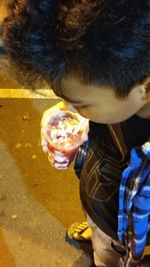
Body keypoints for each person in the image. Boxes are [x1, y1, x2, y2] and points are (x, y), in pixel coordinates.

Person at [2, 0, 150, 266]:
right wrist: (76, 118)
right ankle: (96, 230)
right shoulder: (114, 92)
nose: (69, 109)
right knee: (98, 230)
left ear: (146, 88)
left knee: (106, 256)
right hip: (99, 197)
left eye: (80, 103)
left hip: (128, 231)